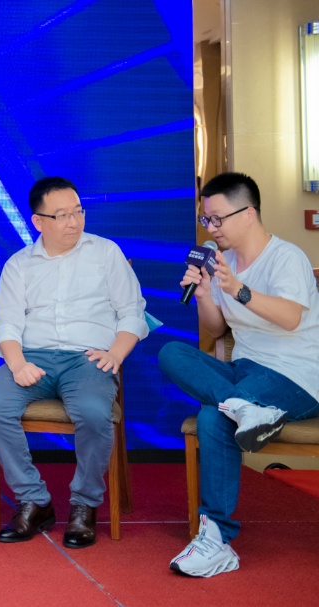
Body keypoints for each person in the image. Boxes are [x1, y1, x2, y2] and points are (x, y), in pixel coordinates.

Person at [160, 172, 319, 577]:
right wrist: (203, 293)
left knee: (212, 416)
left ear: (248, 213)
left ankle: (216, 539)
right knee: (172, 352)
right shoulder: (222, 262)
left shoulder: (287, 258)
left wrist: (238, 290)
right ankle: (245, 408)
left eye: (217, 219)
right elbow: (217, 330)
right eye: (206, 220)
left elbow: (290, 318)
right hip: (244, 371)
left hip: (296, 375)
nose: (210, 228)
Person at [0, 177, 148, 549]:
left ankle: (84, 504)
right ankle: (33, 499)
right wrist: (17, 363)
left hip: (88, 358)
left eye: (78, 212)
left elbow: (132, 313)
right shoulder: (19, 264)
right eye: (62, 215)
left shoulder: (106, 253)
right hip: (32, 357)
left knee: (93, 412)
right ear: (38, 221)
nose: (74, 222)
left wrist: (115, 353)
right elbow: (6, 324)